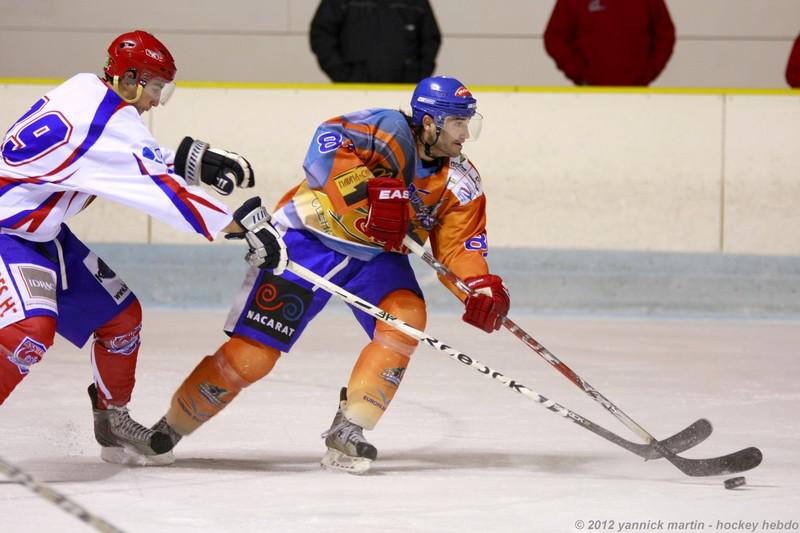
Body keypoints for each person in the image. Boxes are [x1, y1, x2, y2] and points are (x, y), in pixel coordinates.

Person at [151, 75, 511, 474]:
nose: (465, 134)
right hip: (308, 240)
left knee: (406, 318)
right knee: (252, 357)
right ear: (430, 122)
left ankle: (350, 428)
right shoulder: (387, 129)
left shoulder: (461, 181)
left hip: (375, 258)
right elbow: (326, 142)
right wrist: (366, 194)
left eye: (468, 123)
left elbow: (459, 247)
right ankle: (168, 428)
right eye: (458, 123)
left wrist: (476, 286)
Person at [0, 30, 287, 465]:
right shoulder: (108, 124)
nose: (156, 100)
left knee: (122, 319)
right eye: (155, 87)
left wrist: (188, 161)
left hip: (41, 232)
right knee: (30, 331)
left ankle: (112, 418)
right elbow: (159, 190)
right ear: (130, 78)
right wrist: (238, 226)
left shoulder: (85, 88)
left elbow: (123, 155)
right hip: (8, 234)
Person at [543, 0, 675, 86]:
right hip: (590, 96)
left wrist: (647, 74)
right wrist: (579, 74)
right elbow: (554, 37)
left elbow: (665, 34)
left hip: (637, 95)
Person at [309, 0, 441, 83]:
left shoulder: (417, 3)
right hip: (353, 90)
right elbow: (322, 35)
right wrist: (342, 74)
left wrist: (417, 76)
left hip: (404, 90)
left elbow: (430, 39)